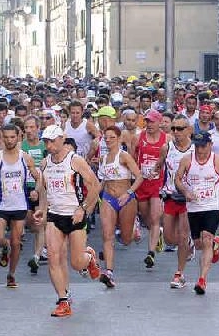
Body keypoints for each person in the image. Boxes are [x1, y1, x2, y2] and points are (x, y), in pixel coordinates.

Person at [33, 125, 101, 318]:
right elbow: (45, 190)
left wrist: (84, 209)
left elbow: (95, 185)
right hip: (55, 216)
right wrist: (42, 209)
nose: (49, 145)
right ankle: (63, 300)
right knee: (54, 258)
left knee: (76, 263)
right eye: (46, 141)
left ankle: (89, 258)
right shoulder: (45, 163)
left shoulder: (75, 160)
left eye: (52, 141)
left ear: (62, 139)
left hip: (75, 214)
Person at [0, 124, 41, 289]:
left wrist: (36, 191)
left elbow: (39, 177)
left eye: (13, 137)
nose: (9, 140)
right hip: (1, 205)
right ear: (1, 138)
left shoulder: (25, 157)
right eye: (6, 137)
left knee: (17, 242)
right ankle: (5, 246)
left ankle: (11, 275)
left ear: (18, 137)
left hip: (19, 205)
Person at [173, 131, 219, 295]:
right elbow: (178, 179)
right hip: (194, 206)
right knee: (199, 244)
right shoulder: (187, 160)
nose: (200, 149)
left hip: (212, 205)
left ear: (210, 145)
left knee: (206, 238)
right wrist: (186, 191)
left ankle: (202, 279)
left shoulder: (217, 159)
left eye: (203, 146)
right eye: (197, 145)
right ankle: (216, 244)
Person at [97, 126, 143, 288]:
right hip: (108, 198)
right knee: (107, 236)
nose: (108, 140)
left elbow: (139, 177)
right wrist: (88, 203)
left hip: (126, 199)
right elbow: (101, 182)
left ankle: (133, 227)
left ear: (118, 139)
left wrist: (128, 192)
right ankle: (108, 272)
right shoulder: (103, 158)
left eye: (112, 137)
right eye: (106, 137)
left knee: (126, 240)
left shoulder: (124, 156)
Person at [156, 116, 194, 288]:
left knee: (183, 235)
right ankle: (188, 244)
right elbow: (159, 165)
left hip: (188, 198)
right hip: (170, 196)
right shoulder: (167, 147)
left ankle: (179, 274)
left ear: (188, 130)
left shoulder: (195, 149)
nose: (176, 132)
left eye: (180, 128)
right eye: (174, 129)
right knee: (171, 239)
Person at [133, 109, 167, 269]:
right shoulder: (138, 137)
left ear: (160, 122)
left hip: (157, 184)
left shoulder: (167, 139)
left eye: (152, 121)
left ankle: (150, 253)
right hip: (142, 183)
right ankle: (157, 233)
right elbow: (133, 159)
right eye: (147, 121)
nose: (149, 124)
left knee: (154, 218)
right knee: (146, 216)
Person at [21, 116, 46, 273]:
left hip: (41, 189)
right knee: (31, 222)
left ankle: (37, 256)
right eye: (26, 127)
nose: (29, 130)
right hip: (24, 188)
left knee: (39, 224)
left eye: (32, 127)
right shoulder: (20, 146)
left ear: (38, 128)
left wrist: (39, 188)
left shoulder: (45, 146)